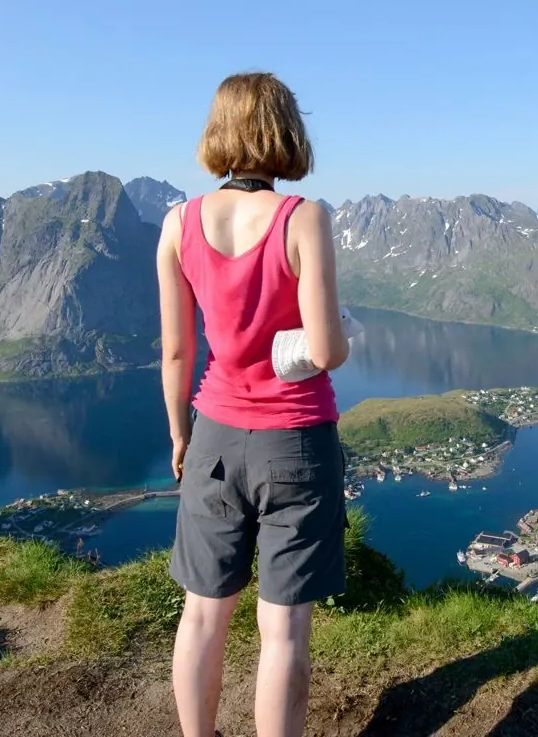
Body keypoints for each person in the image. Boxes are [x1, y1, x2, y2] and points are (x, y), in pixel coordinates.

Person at [155, 71, 350, 737]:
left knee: (201, 615)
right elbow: (326, 350)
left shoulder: (178, 224)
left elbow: (177, 353)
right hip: (295, 439)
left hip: (212, 434)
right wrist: (337, 331)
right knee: (284, 630)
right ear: (286, 131)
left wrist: (181, 436)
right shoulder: (303, 218)